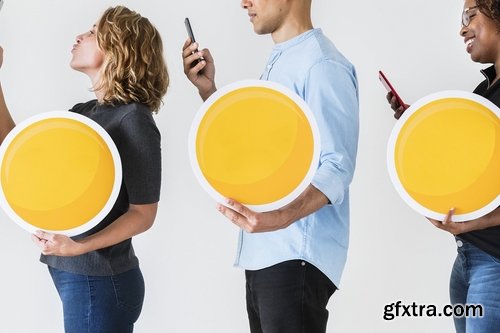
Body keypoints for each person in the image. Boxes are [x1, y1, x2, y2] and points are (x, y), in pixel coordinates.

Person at [183, 1, 359, 332]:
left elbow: (337, 165)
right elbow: (259, 154)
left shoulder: (321, 64)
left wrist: (280, 218)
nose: (244, 2)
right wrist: (209, 91)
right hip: (269, 253)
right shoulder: (285, 59)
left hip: (295, 256)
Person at [0, 6, 168, 332]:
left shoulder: (133, 119)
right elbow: (14, 150)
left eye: (92, 32)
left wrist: (79, 247)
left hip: (99, 282)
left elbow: (144, 214)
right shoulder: (85, 113)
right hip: (81, 278)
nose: (79, 36)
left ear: (120, 48)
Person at [387, 1, 500, 332]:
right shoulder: (483, 94)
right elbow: (468, 163)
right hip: (469, 259)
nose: (463, 29)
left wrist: (472, 223)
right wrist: (418, 124)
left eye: (470, 16)